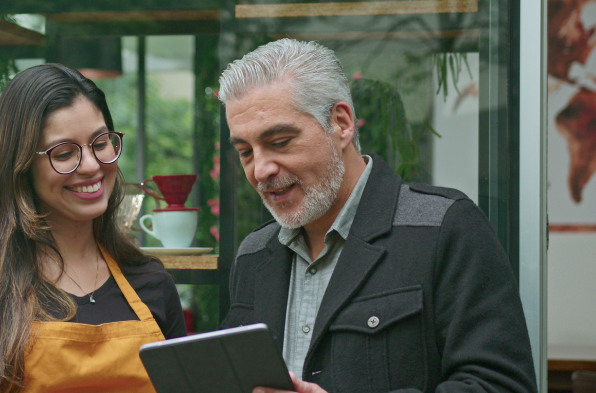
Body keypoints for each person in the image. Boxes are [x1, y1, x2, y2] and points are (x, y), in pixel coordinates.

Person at [218, 39, 537, 393]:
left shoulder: (444, 227)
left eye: (279, 142)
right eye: (245, 152)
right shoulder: (254, 254)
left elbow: (501, 386)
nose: (260, 169)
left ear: (341, 123)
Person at [0, 64, 186, 392]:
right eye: (64, 153)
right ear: (20, 166)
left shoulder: (151, 283)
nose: (91, 166)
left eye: (100, 143)